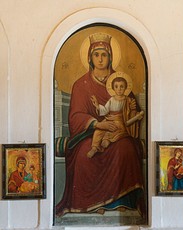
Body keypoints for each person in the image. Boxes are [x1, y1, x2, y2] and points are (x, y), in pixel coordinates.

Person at [56, 32, 146, 218]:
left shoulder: (120, 82)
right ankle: (90, 204)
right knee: (83, 154)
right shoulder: (81, 85)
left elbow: (131, 110)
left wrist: (129, 110)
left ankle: (123, 202)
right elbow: (75, 116)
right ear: (89, 57)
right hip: (90, 133)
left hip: (119, 132)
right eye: (96, 54)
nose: (100, 59)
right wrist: (98, 124)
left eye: (104, 54)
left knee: (127, 149)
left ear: (110, 57)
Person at [87, 74, 144, 158]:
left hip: (120, 120)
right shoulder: (111, 99)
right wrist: (97, 106)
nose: (119, 89)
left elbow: (130, 115)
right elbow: (105, 110)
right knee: (98, 130)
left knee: (115, 129)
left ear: (125, 88)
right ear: (113, 88)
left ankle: (107, 140)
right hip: (109, 118)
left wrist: (132, 109)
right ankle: (95, 147)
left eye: (122, 86)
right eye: (116, 86)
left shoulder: (128, 100)